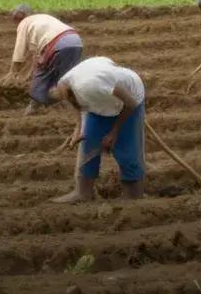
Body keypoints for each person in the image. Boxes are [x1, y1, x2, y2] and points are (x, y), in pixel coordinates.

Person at [47, 56, 146, 203]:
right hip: (101, 102)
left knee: (127, 150)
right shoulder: (64, 82)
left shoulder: (91, 86)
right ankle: (83, 192)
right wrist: (78, 130)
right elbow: (76, 105)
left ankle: (133, 196)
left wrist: (114, 132)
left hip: (129, 100)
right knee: (88, 142)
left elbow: (130, 103)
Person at [2, 4, 84, 114]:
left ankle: (35, 106)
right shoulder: (43, 18)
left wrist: (12, 73)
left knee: (42, 72)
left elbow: (19, 52)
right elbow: (35, 54)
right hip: (76, 41)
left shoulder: (24, 23)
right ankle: (69, 105)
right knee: (66, 77)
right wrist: (27, 72)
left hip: (57, 42)